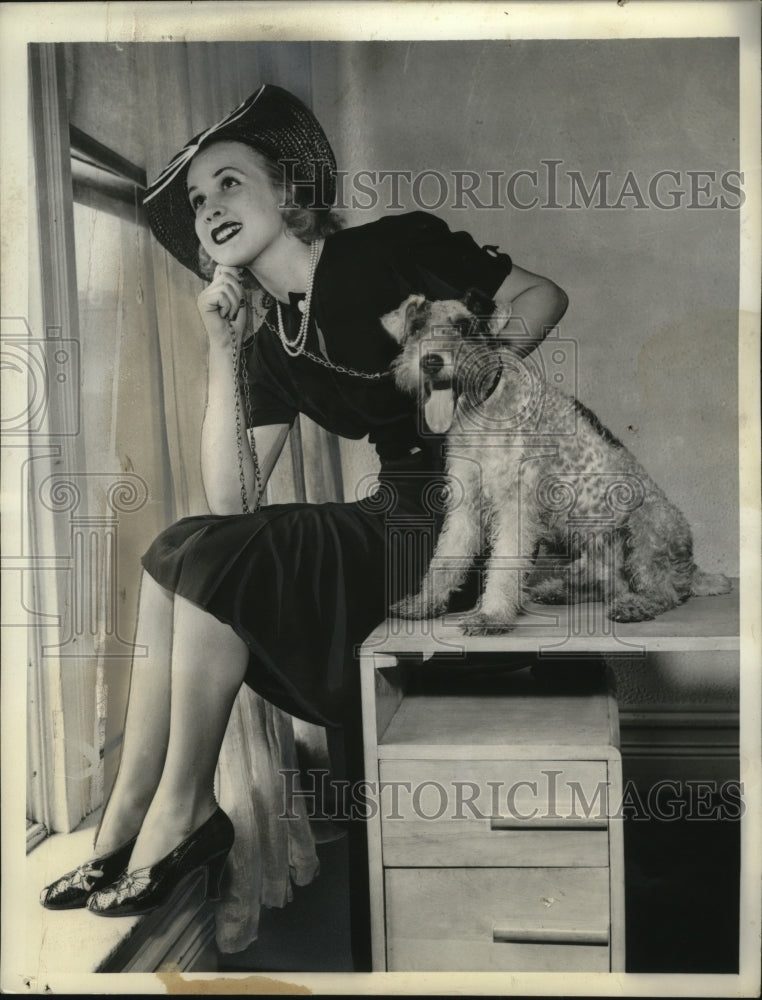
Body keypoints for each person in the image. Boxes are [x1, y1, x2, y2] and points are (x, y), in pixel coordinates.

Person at [39, 84, 568, 966]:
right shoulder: (270, 337)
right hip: (400, 514)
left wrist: (474, 380)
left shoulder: (388, 249)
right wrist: (219, 346)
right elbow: (231, 503)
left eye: (228, 184)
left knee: (203, 552)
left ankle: (177, 815)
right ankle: (136, 818)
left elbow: (545, 296)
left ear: (288, 193)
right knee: (179, 548)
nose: (209, 208)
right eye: (197, 202)